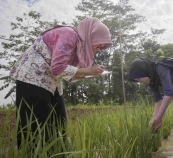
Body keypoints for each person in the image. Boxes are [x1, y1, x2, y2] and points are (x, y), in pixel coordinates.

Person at [10, 17, 112, 149]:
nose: (101, 47)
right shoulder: (69, 35)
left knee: (59, 125)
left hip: (52, 82)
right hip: (32, 78)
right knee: (35, 128)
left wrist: (87, 74)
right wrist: (89, 70)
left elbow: (65, 72)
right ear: (91, 34)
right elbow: (58, 68)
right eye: (100, 42)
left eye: (104, 45)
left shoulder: (79, 46)